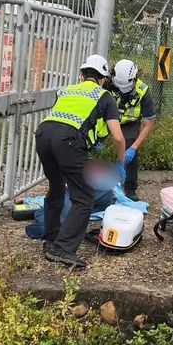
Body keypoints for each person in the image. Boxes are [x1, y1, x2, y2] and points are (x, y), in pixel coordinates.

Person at [35, 54, 126, 267]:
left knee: (56, 189)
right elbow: (119, 137)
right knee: (84, 197)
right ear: (103, 78)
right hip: (68, 141)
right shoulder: (105, 97)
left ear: (82, 75)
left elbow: (66, 117)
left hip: (43, 135)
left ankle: (50, 239)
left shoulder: (64, 91)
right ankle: (63, 248)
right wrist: (120, 163)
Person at [110, 59, 156, 202]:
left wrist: (134, 148)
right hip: (108, 120)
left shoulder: (143, 91)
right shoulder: (107, 84)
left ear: (135, 78)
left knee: (130, 143)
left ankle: (130, 187)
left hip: (129, 123)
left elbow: (148, 124)